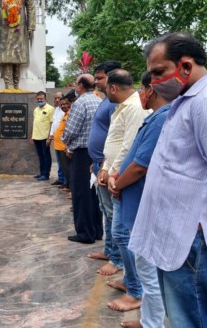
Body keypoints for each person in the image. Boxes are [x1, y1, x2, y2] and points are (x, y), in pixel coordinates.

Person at [129, 33, 207, 328]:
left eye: (159, 72)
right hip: (178, 235)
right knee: (184, 317)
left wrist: (206, 210)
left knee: (193, 320)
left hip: (191, 236)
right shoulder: (186, 101)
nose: (154, 81)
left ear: (185, 66)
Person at [107, 71, 170, 327]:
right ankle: (148, 321)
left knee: (148, 271)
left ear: (150, 90)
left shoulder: (160, 118)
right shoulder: (155, 116)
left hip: (142, 203)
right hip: (137, 202)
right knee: (148, 271)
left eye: (142, 90)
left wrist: (117, 184)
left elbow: (139, 165)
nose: (140, 95)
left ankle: (151, 324)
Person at [98, 68, 148, 312]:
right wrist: (105, 167)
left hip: (125, 178)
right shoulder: (123, 106)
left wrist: (114, 172)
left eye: (105, 87)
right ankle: (130, 281)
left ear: (113, 88)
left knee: (123, 233)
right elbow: (115, 141)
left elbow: (130, 145)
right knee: (119, 231)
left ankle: (137, 290)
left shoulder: (136, 107)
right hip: (115, 174)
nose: (104, 91)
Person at [87, 61, 122, 276]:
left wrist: (108, 166)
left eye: (99, 78)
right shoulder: (105, 100)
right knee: (106, 212)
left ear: (112, 78)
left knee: (112, 213)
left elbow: (117, 137)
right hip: (100, 164)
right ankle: (110, 251)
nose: (96, 82)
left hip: (108, 166)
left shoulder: (117, 103)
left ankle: (117, 259)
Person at [62, 74, 102, 244]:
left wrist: (66, 143)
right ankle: (97, 231)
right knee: (94, 193)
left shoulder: (80, 103)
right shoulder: (98, 101)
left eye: (76, 84)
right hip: (96, 152)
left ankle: (85, 233)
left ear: (80, 86)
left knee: (80, 193)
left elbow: (70, 130)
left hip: (81, 153)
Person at [31, 91, 54, 181]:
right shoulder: (36, 110)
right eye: (38, 99)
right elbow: (35, 123)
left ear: (45, 99)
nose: (40, 100)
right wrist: (32, 136)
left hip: (45, 137)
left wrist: (49, 137)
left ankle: (46, 174)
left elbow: (52, 123)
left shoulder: (50, 109)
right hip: (36, 136)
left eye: (41, 99)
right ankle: (41, 173)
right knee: (40, 155)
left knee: (46, 155)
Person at [47, 91, 67, 187]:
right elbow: (54, 124)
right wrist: (50, 136)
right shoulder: (57, 110)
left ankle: (66, 182)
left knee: (64, 163)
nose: (56, 100)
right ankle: (60, 178)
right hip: (56, 140)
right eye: (55, 98)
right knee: (59, 161)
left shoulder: (65, 110)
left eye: (58, 98)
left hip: (63, 141)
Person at [52, 94, 72, 189]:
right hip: (58, 146)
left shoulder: (70, 114)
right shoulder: (64, 114)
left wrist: (67, 147)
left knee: (67, 168)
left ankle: (71, 188)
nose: (64, 106)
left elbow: (69, 132)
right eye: (62, 104)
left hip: (64, 147)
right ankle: (67, 185)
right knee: (64, 167)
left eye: (66, 104)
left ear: (70, 104)